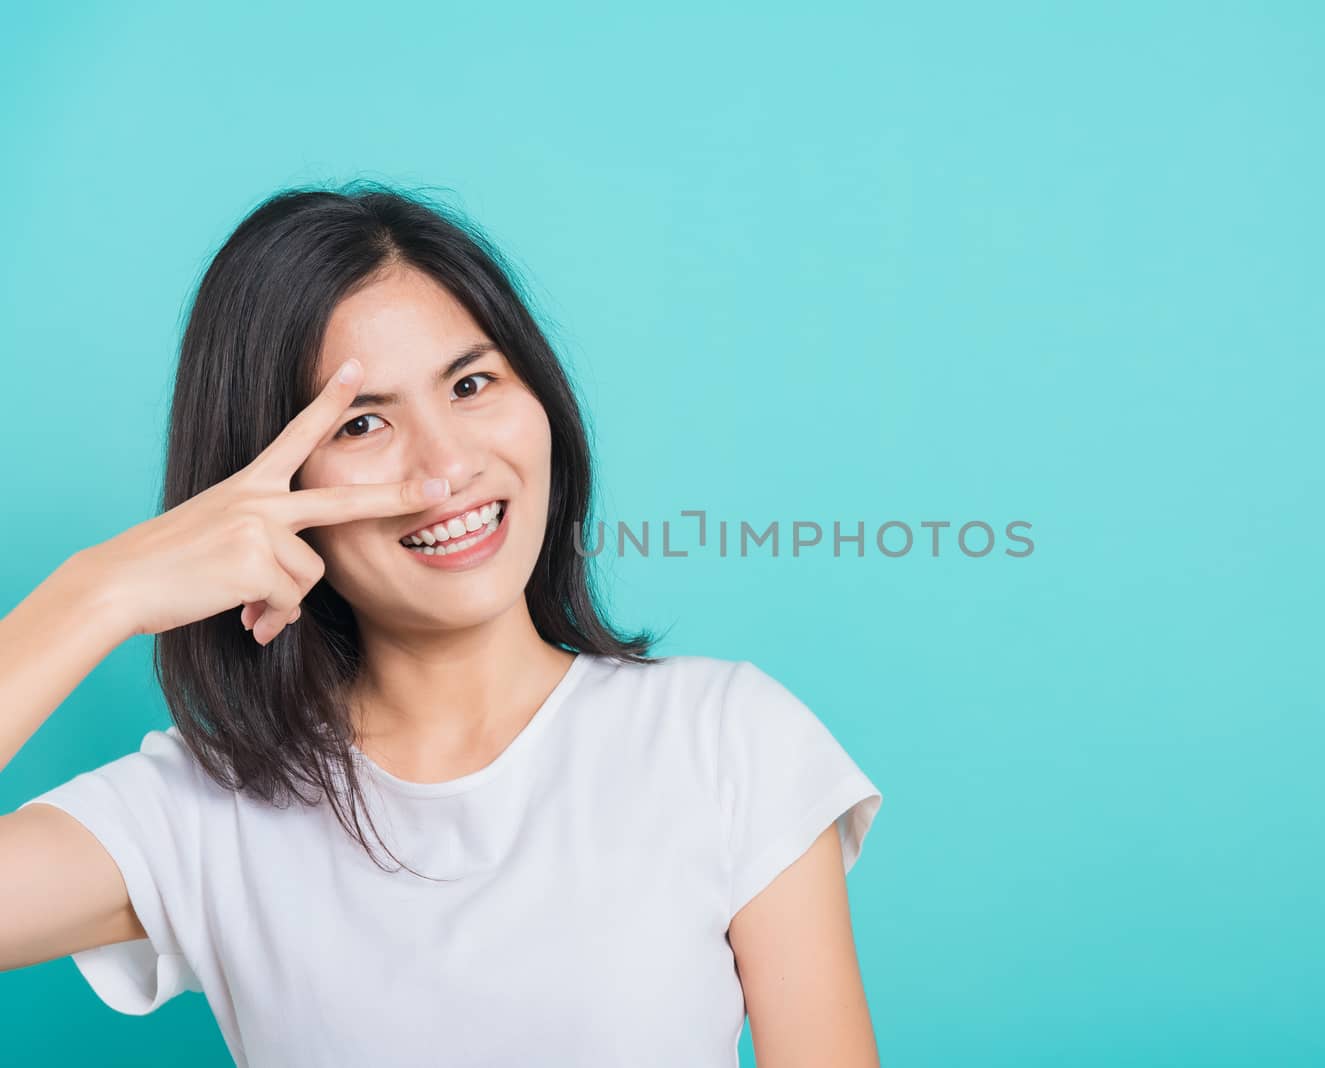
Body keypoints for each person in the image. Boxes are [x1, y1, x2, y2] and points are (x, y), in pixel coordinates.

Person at [0, 184, 884, 1066]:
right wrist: (96, 591)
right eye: (362, 422)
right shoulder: (200, 809)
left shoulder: (726, 740)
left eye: (470, 383)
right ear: (263, 485)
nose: (447, 466)